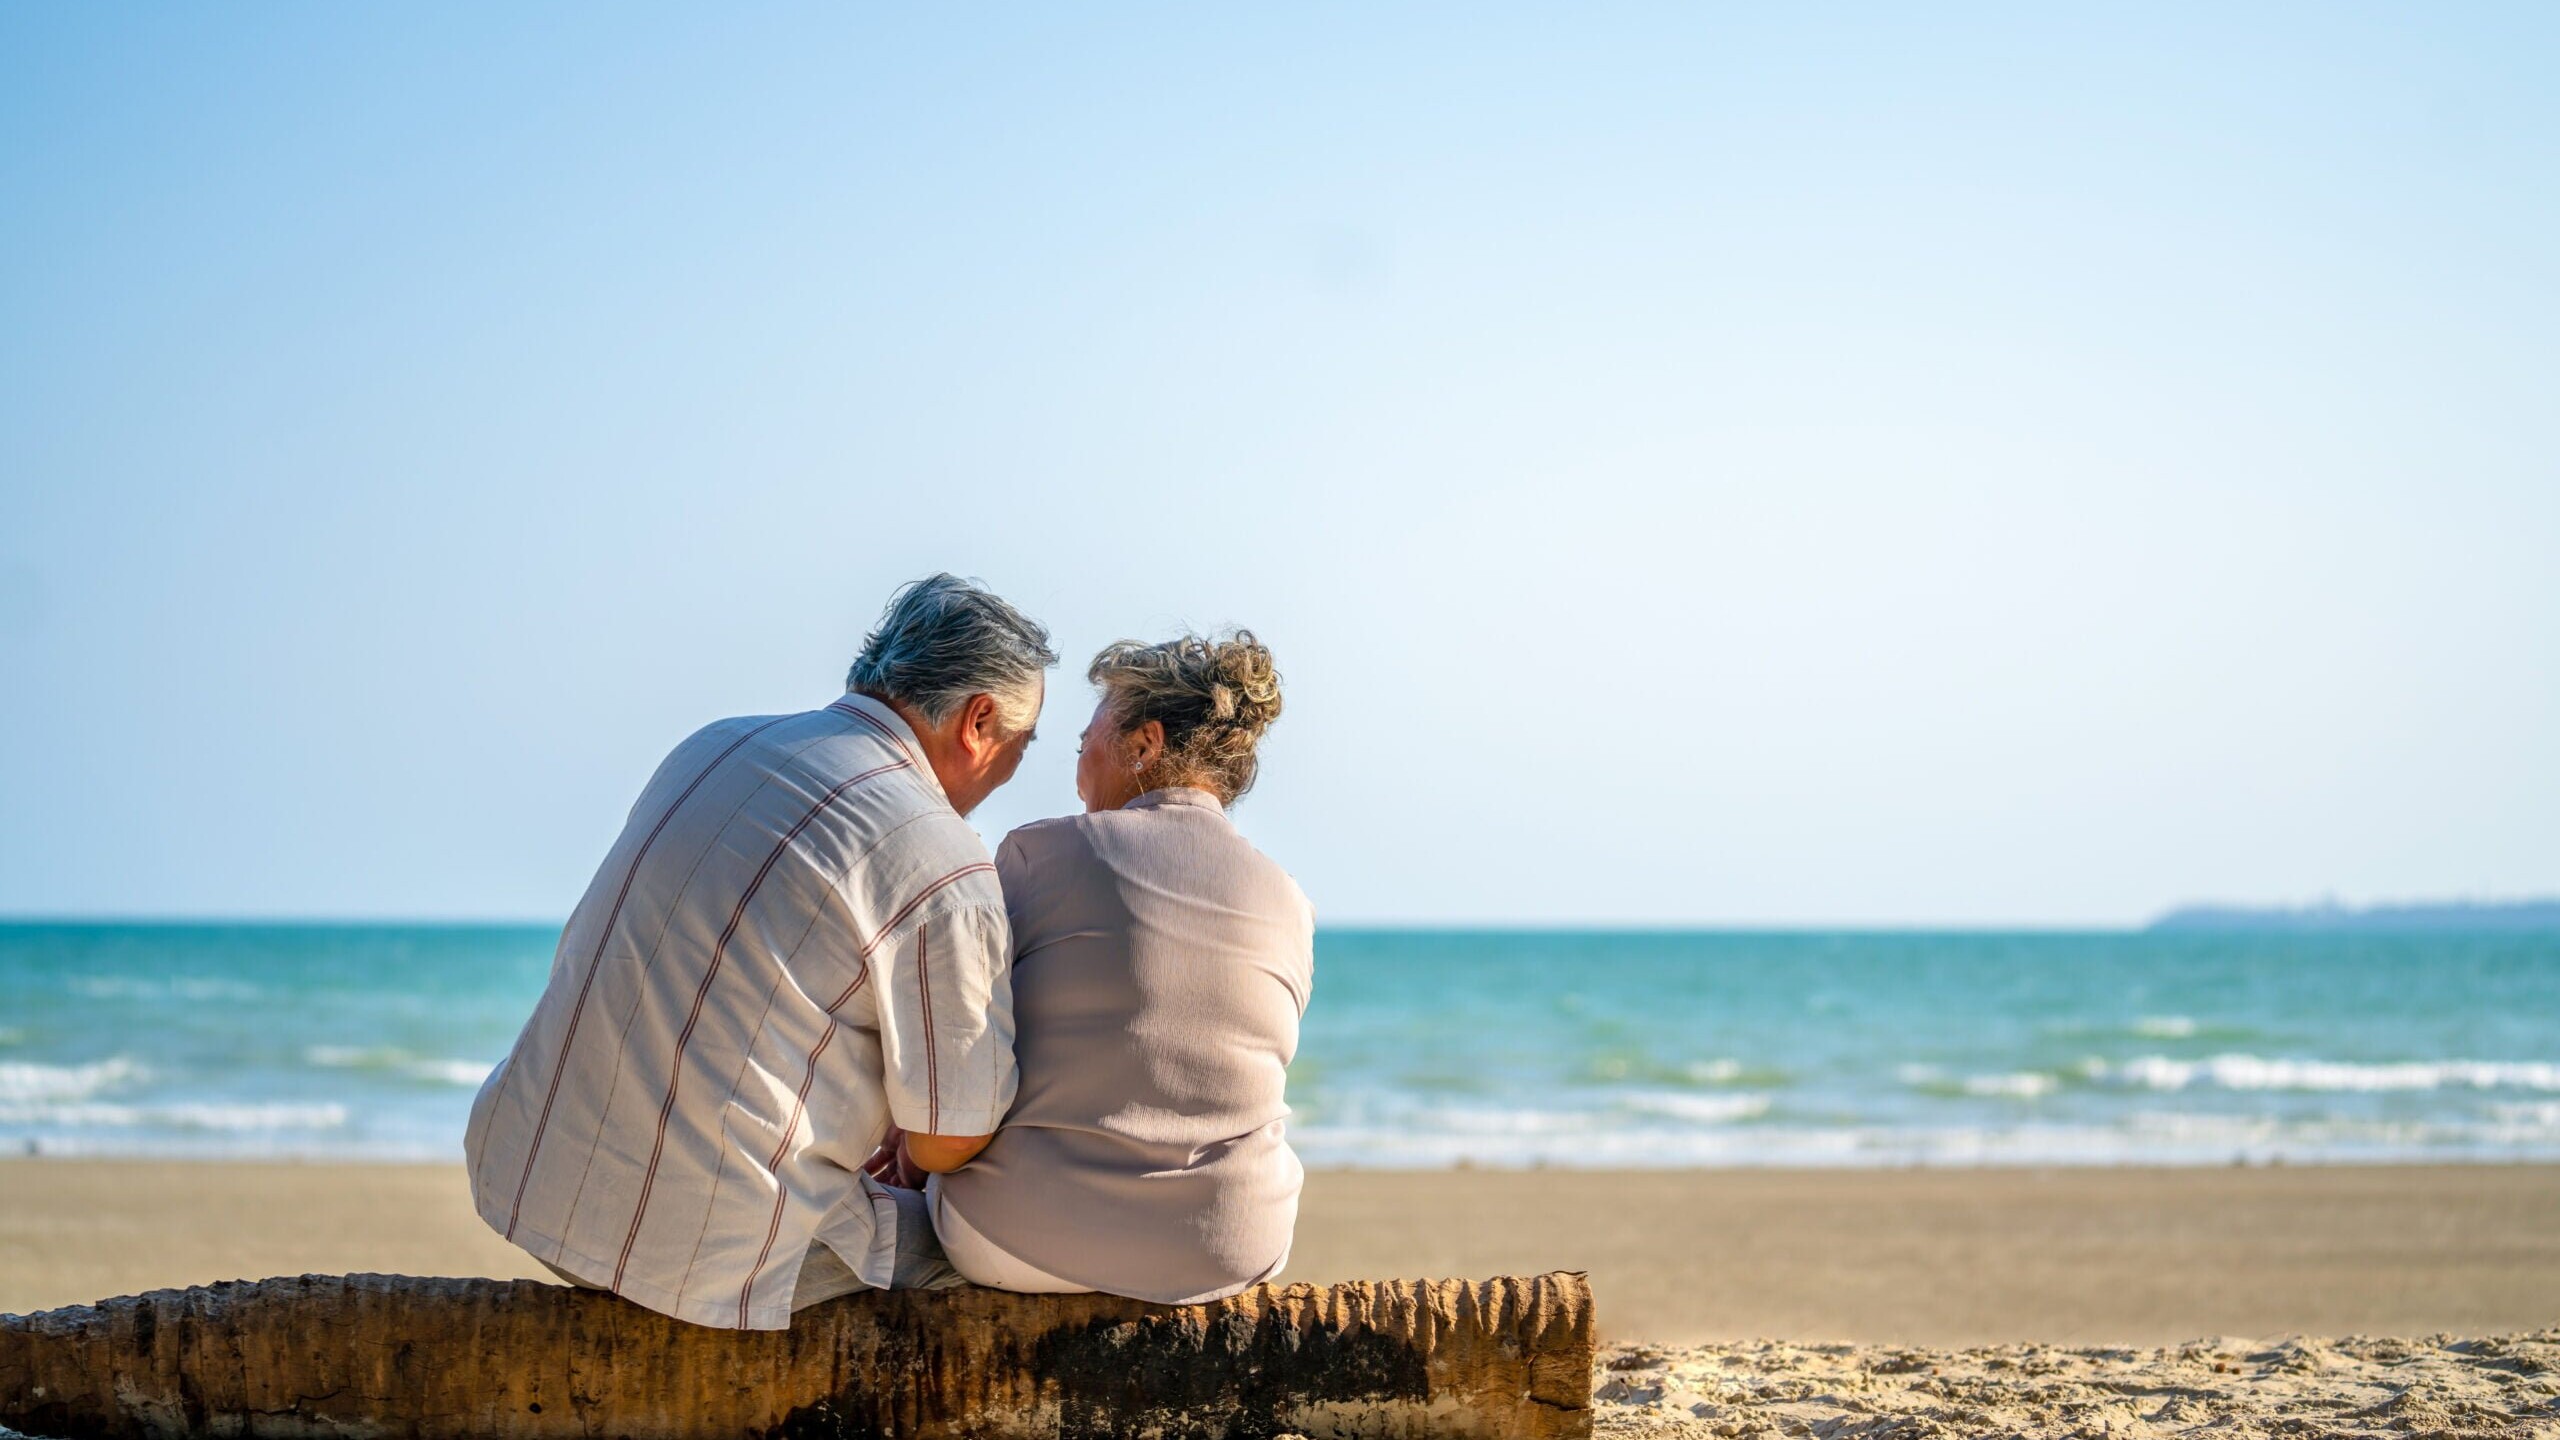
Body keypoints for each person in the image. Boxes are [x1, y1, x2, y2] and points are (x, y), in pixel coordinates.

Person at [464, 574, 1053, 1329]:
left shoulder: (713, 744)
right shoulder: (942, 857)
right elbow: (949, 1140)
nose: (1012, 771)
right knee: (986, 1250)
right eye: (1020, 743)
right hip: (697, 1250)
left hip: (530, 1172)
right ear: (978, 721)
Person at [929, 631, 1313, 1302]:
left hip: (1017, 1240)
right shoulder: (1288, 900)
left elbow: (964, 1038)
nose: (1078, 772)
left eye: (1085, 745)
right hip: (1229, 1249)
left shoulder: (1038, 853)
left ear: (1144, 746)